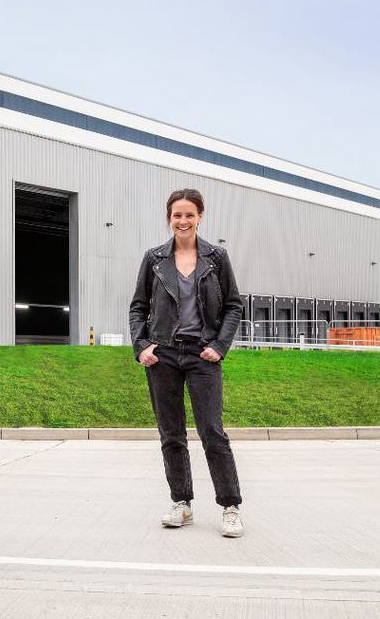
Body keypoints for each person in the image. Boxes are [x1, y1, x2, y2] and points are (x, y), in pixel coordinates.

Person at [128, 188, 245, 538]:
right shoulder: (153, 259)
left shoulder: (216, 257)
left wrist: (220, 346)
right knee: (171, 434)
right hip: (162, 354)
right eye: (177, 215)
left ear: (200, 217)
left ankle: (230, 506)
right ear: (169, 218)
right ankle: (181, 503)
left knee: (212, 431)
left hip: (202, 354)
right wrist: (141, 346)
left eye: (189, 215)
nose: (183, 221)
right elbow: (137, 307)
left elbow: (233, 306)